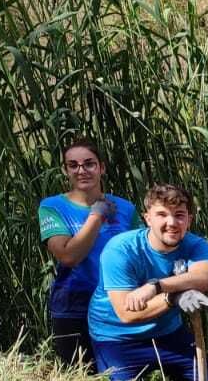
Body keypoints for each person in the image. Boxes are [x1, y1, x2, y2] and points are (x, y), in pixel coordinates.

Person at [87, 183, 208, 381]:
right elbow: (127, 314)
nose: (172, 223)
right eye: (162, 215)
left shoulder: (196, 245)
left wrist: (156, 286)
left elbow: (206, 278)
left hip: (168, 332)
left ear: (189, 220)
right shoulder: (120, 250)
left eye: (179, 215)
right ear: (147, 218)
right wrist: (171, 298)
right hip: (118, 338)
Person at [38, 137, 136, 367]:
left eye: (89, 164)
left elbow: (138, 254)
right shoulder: (52, 207)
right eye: (73, 165)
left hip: (115, 306)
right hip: (73, 306)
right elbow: (68, 256)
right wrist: (96, 215)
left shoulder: (125, 208)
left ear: (101, 167)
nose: (81, 170)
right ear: (65, 170)